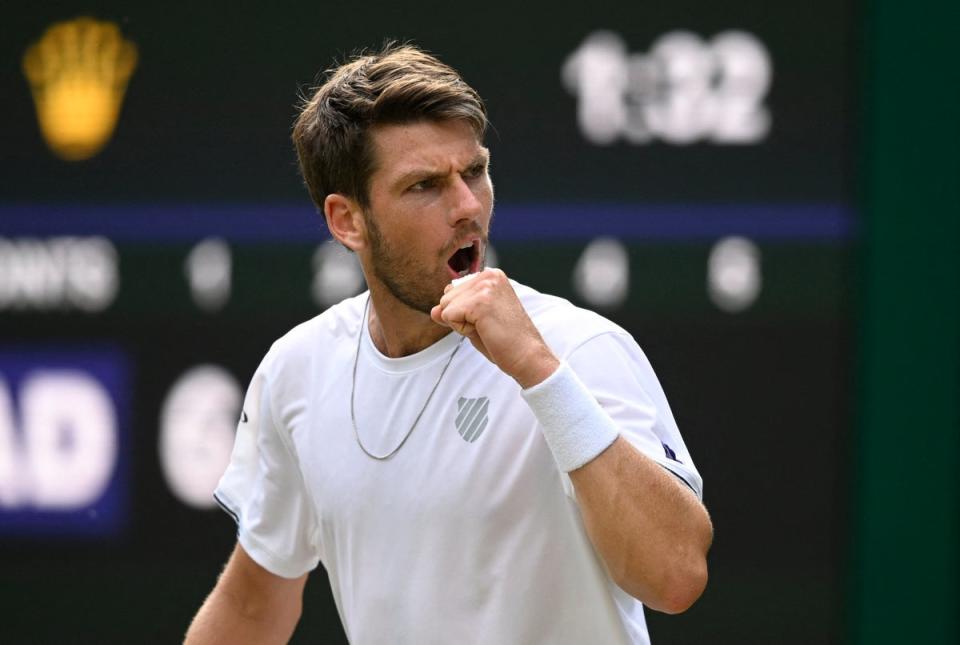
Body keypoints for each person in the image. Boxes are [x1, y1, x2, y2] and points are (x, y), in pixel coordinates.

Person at [185, 43, 712, 645]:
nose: (467, 206)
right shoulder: (297, 372)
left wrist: (538, 371)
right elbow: (254, 608)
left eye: (476, 171)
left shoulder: (580, 349)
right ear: (347, 221)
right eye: (424, 186)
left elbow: (676, 576)